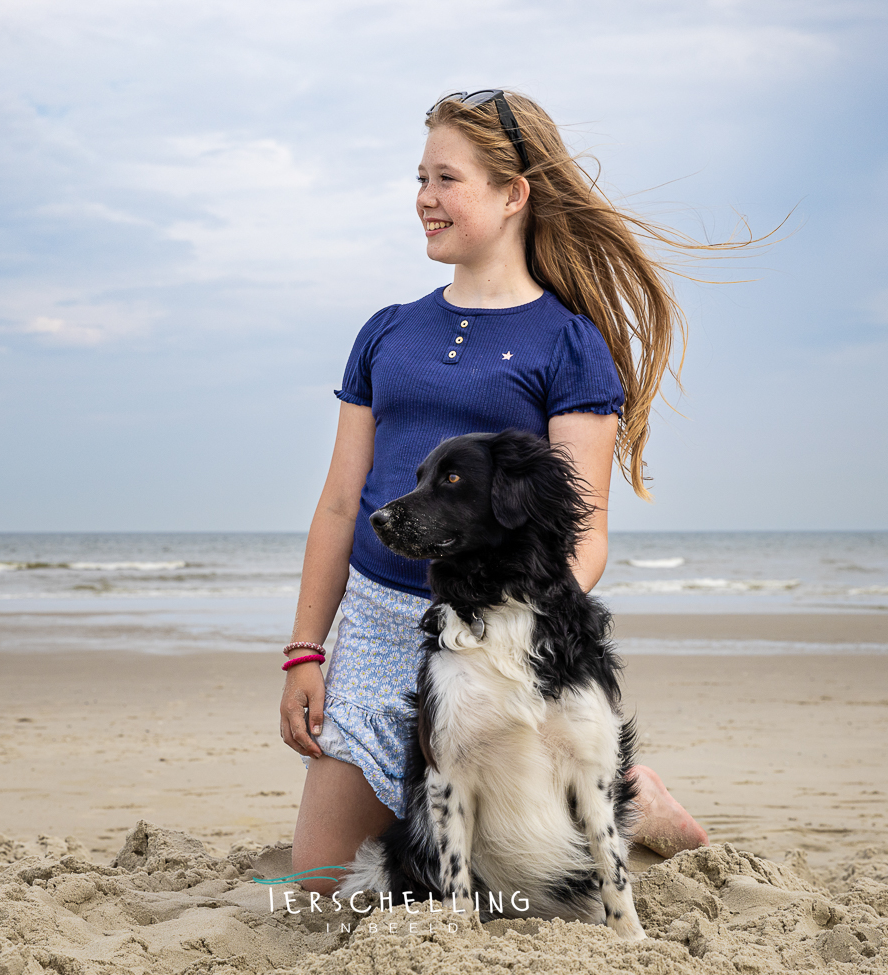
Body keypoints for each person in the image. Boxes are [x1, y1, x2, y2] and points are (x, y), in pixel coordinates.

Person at [278, 90, 709, 893]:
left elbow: (583, 533)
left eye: (447, 179)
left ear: (514, 194)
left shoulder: (570, 346)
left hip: (498, 640)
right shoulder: (387, 330)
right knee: (319, 885)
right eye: (420, 178)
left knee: (513, 872)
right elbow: (341, 504)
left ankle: (627, 792)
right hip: (375, 631)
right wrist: (305, 652)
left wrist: (518, 638)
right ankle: (623, 786)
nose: (424, 200)